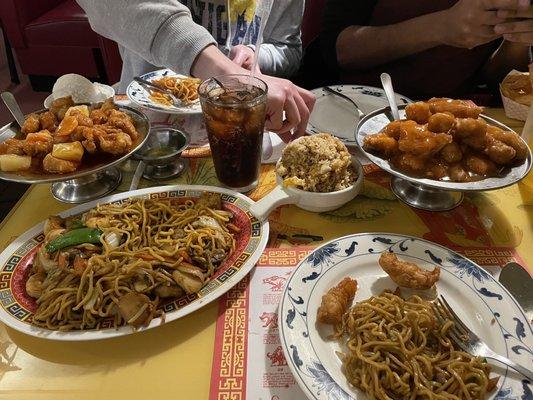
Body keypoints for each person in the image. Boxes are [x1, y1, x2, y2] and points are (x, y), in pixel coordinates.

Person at [77, 0, 314, 141]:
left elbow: (287, 46)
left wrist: (255, 55)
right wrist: (225, 69)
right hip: (146, 129)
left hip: (243, 127)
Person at [318, 0, 532, 99]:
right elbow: (338, 51)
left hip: (454, 116)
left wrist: (517, 37)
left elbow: (497, 81)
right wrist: (442, 27)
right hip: (358, 105)